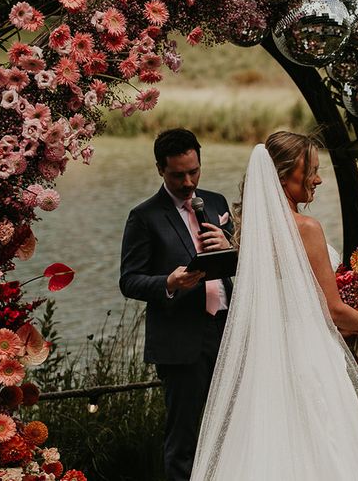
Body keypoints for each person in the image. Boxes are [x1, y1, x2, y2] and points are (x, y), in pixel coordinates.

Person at [190, 131, 358, 481]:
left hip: (268, 354)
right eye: (312, 170)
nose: (318, 179)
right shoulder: (306, 228)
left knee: (270, 441)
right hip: (308, 352)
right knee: (323, 442)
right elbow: (331, 310)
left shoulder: (252, 230)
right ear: (286, 175)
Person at [119, 128, 233, 481]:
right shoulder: (145, 216)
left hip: (228, 331)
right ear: (159, 169)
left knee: (231, 431)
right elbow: (129, 280)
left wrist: (229, 244)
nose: (188, 182)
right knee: (184, 440)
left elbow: (238, 265)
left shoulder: (215, 203)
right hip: (182, 342)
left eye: (193, 171)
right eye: (177, 174)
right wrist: (168, 283)